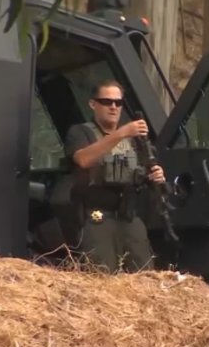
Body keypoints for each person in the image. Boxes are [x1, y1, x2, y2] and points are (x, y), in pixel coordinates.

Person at [64, 79, 166, 273]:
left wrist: (155, 176)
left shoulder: (135, 140)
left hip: (128, 217)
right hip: (96, 217)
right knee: (101, 277)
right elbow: (83, 160)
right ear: (93, 104)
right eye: (106, 101)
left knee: (145, 275)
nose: (113, 107)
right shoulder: (81, 132)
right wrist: (120, 134)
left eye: (118, 103)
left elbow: (143, 171)